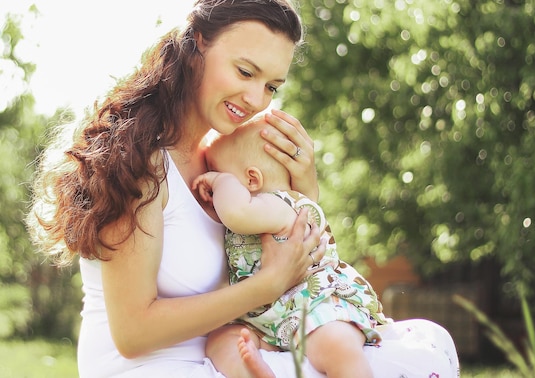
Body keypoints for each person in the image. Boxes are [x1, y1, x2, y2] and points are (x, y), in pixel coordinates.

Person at [26, 0, 460, 377]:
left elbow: (304, 276)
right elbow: (133, 334)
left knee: (419, 347)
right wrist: (264, 287)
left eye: (271, 86)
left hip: (225, 359)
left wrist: (302, 192)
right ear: (197, 44)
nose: (256, 98)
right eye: (245, 71)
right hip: (152, 369)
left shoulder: (232, 161)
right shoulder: (139, 161)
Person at [192, 118, 390, 377]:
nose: (208, 178)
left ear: (252, 179)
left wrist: (220, 183)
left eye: (218, 170)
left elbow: (236, 213)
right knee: (221, 341)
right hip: (265, 319)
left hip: (313, 307)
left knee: (336, 345)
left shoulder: (280, 206)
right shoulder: (258, 207)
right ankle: (254, 372)